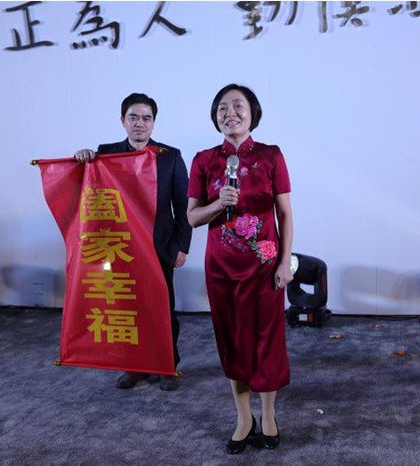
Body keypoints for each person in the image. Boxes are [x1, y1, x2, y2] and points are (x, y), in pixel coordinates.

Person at [186, 84, 294, 454]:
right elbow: (192, 217)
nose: (230, 113)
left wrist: (285, 262)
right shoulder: (203, 160)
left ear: (252, 113)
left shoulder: (270, 155)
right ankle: (243, 417)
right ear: (215, 116)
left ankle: (269, 415)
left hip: (264, 267)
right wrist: (219, 204)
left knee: (266, 340)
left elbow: (285, 214)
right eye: (222, 107)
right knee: (232, 341)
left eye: (238, 106)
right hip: (221, 268)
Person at [74, 92, 192, 391]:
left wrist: (181, 247)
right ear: (123, 121)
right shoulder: (105, 154)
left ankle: (167, 365)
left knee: (162, 308)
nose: (140, 123)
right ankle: (135, 366)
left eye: (146, 118)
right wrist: (82, 159)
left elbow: (183, 205)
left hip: (159, 245)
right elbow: (88, 188)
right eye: (133, 117)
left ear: (153, 123)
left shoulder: (170, 156)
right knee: (126, 307)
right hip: (120, 246)